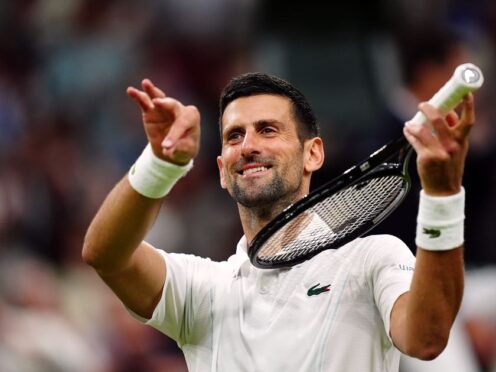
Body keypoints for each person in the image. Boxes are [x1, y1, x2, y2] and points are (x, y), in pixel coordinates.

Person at [82, 72, 475, 371]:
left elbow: (426, 338)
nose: (249, 146)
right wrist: (162, 165)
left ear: (313, 155)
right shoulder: (204, 288)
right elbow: (106, 254)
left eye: (268, 130)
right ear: (221, 170)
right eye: (234, 136)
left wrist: (442, 197)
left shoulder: (373, 257)